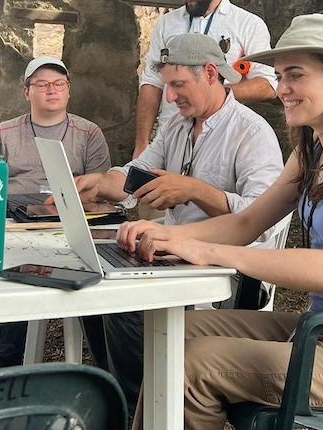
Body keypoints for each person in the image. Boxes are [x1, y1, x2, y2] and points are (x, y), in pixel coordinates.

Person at [118, 14, 323, 429]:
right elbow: (247, 223)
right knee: (174, 331)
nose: (281, 90)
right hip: (320, 331)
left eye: (295, 76)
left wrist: (206, 250)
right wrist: (168, 234)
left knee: (192, 363)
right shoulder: (312, 151)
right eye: (280, 77)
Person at [76, 32, 284, 415]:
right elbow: (136, 175)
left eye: (177, 85)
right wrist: (99, 184)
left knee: (123, 307)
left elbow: (263, 221)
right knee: (91, 287)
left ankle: (147, 409)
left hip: (229, 271)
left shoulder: (252, 133)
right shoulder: (177, 126)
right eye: (167, 86)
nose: (169, 98)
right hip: (174, 256)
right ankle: (131, 404)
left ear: (210, 73)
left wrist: (196, 191)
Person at [0, 55, 111, 377]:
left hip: (63, 224)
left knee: (28, 274)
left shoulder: (88, 133)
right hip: (6, 217)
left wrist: (74, 197)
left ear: (69, 90)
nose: (51, 90)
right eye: (42, 84)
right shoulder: (5, 131)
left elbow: (102, 188)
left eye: (59, 84)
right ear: (26, 92)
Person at [134, 0, 277, 157]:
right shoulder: (167, 23)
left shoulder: (248, 24)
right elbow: (152, 83)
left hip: (223, 141)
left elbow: (267, 85)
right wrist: (142, 144)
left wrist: (214, 96)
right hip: (170, 139)